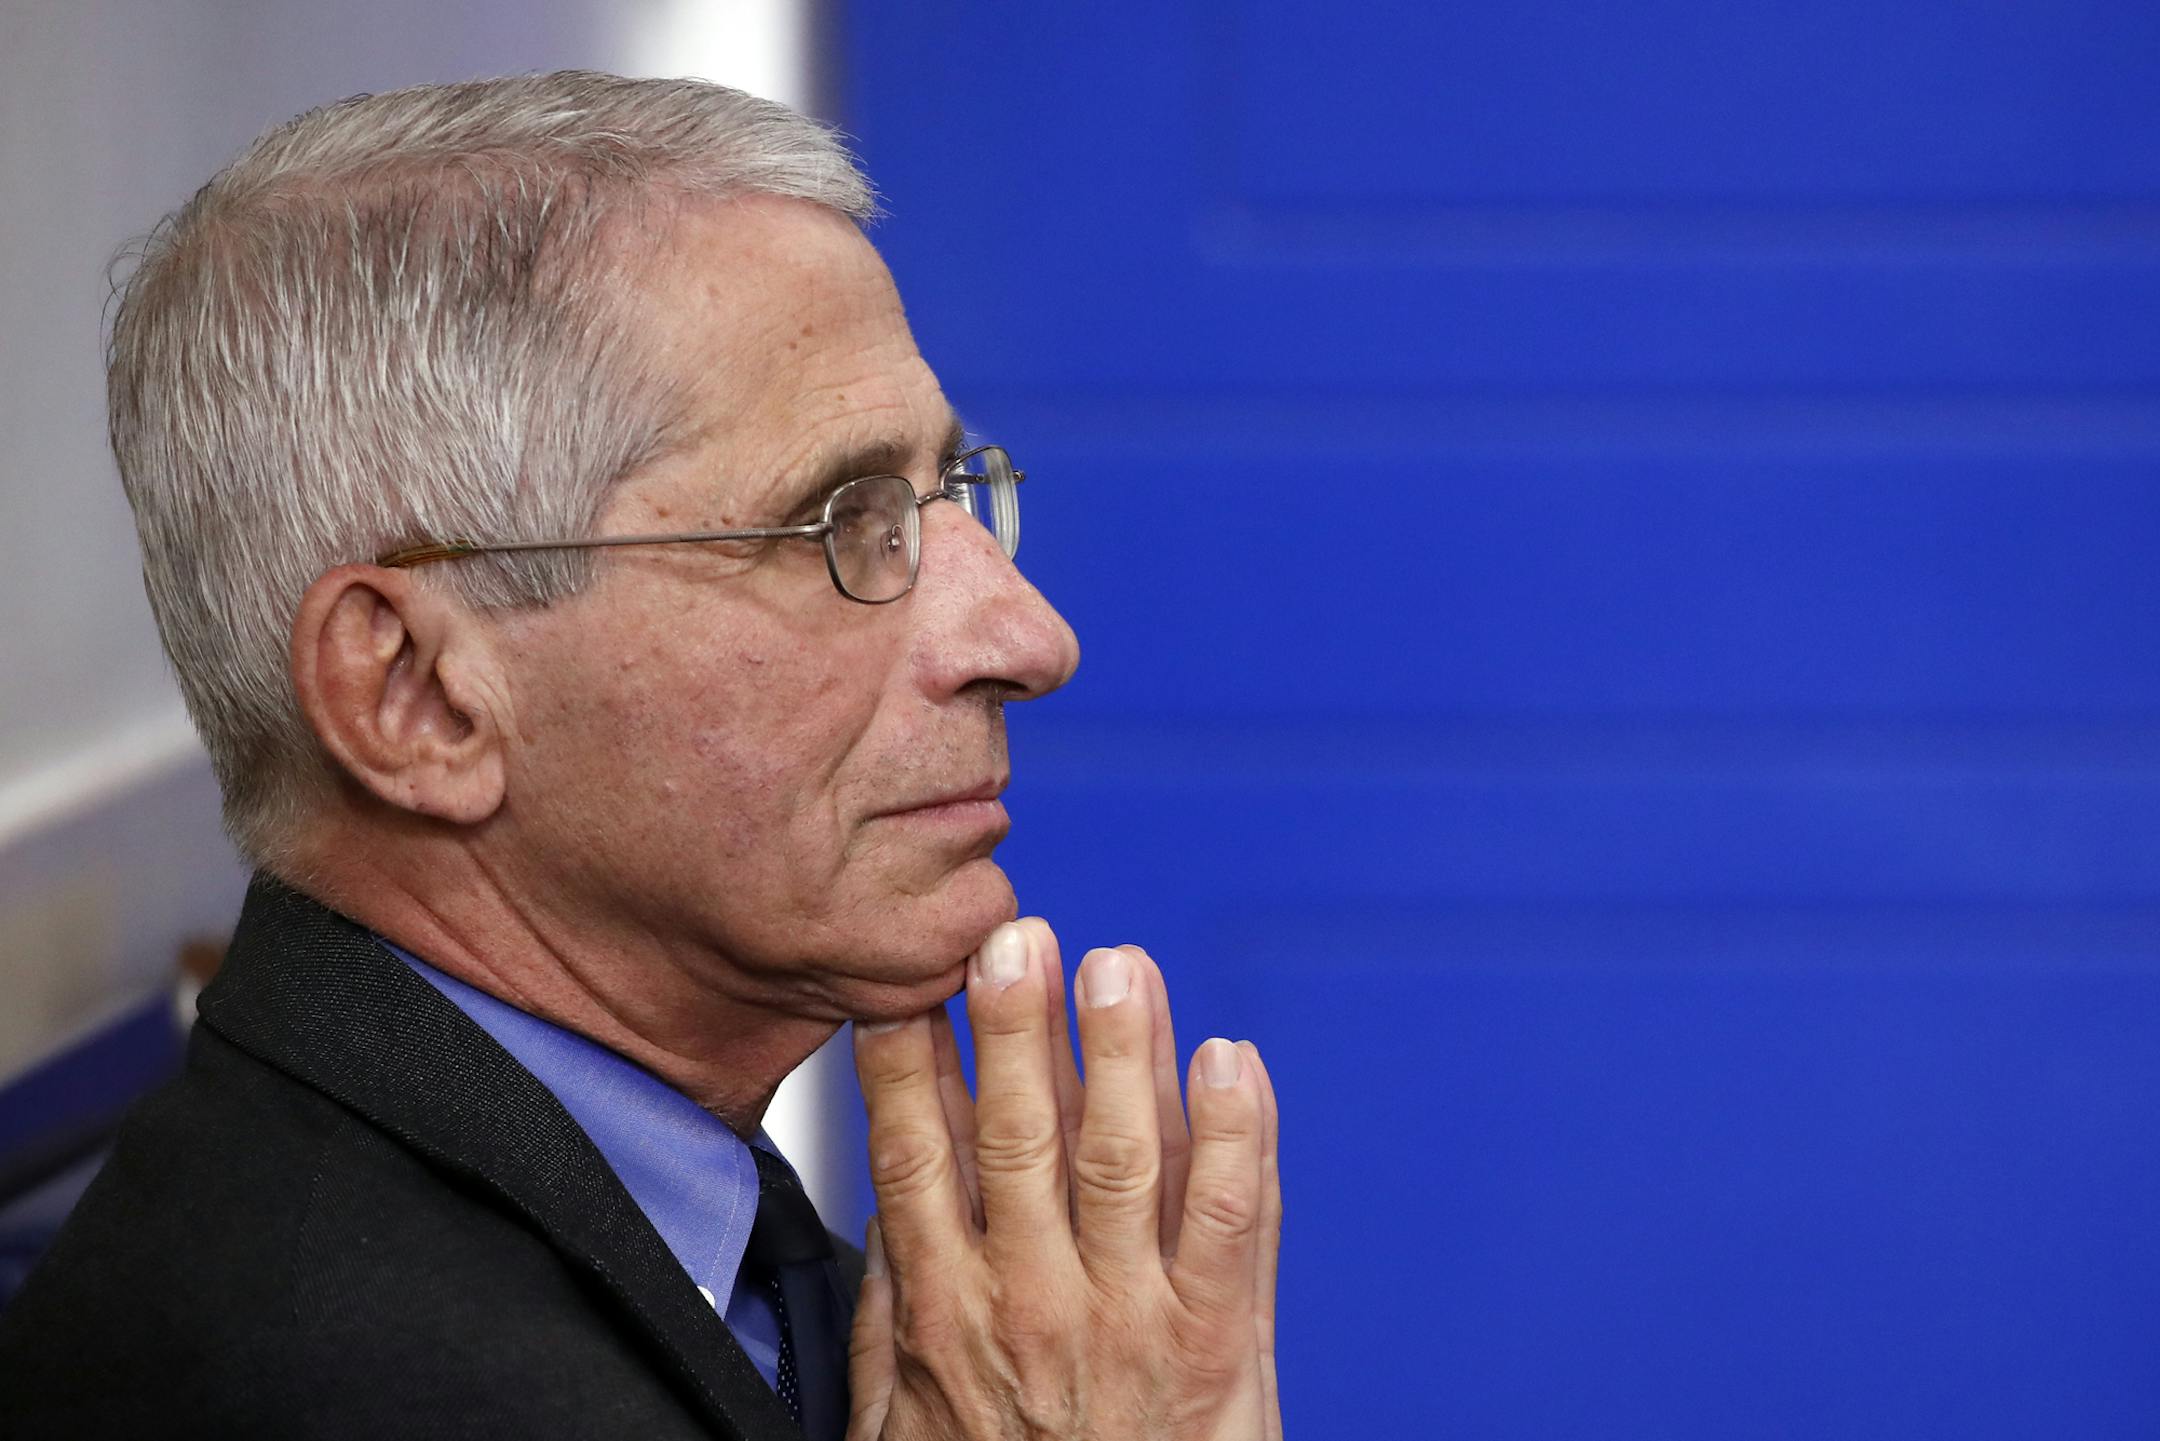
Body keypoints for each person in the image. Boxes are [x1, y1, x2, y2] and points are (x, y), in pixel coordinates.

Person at [0, 71, 1282, 1440]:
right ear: (417, 695)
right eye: (840, 522)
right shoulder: (350, 1379)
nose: (1027, 636)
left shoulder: (687, 1234)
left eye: (952, 494)